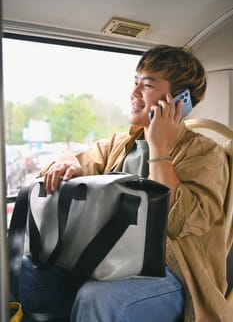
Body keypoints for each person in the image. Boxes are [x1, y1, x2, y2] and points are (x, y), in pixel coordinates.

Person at [19, 45, 233, 321]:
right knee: (35, 273)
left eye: (146, 85)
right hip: (110, 259)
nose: (134, 94)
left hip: (176, 275)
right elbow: (69, 162)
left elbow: (178, 221)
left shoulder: (206, 154)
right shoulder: (120, 144)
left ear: (180, 100)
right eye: (135, 83)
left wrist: (159, 148)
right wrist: (67, 162)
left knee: (97, 298)